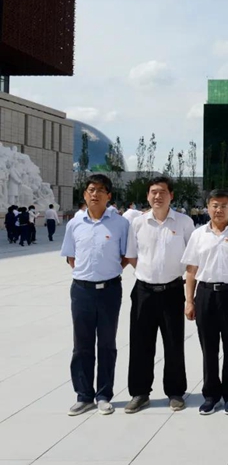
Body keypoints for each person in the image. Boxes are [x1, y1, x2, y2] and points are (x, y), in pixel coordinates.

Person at [181, 189, 228, 415]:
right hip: (205, 295)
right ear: (207, 207)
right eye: (215, 205)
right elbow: (191, 271)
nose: (219, 210)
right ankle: (211, 395)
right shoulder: (198, 235)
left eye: (224, 205)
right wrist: (189, 301)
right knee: (209, 347)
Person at [124, 177, 195, 414]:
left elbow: (192, 258)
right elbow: (131, 255)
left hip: (172, 291)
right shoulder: (138, 223)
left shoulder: (184, 222)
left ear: (171, 195)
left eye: (163, 192)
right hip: (144, 291)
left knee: (174, 343)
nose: (158, 196)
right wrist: (148, 273)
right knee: (140, 343)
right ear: (147, 196)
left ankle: (175, 392)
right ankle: (139, 393)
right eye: (153, 192)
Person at [60, 174, 129, 416]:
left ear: (108, 195)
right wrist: (87, 276)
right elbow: (71, 257)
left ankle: (103, 395)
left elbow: (126, 256)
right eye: (91, 189)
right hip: (81, 291)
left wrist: (107, 273)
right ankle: (83, 396)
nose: (95, 194)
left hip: (110, 290)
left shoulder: (120, 224)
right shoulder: (75, 223)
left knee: (107, 344)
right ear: (84, 194)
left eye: (100, 190)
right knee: (82, 345)